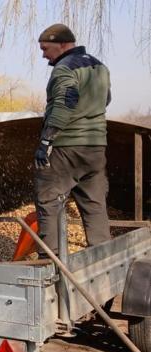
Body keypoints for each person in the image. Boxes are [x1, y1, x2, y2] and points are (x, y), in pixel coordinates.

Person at [34, 23, 111, 256]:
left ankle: (50, 260)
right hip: (96, 147)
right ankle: (103, 260)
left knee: (48, 197)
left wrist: (46, 141)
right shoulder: (100, 66)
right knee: (94, 204)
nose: (43, 54)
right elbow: (106, 99)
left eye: (46, 48)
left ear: (63, 44)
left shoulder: (64, 68)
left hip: (68, 146)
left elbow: (65, 102)